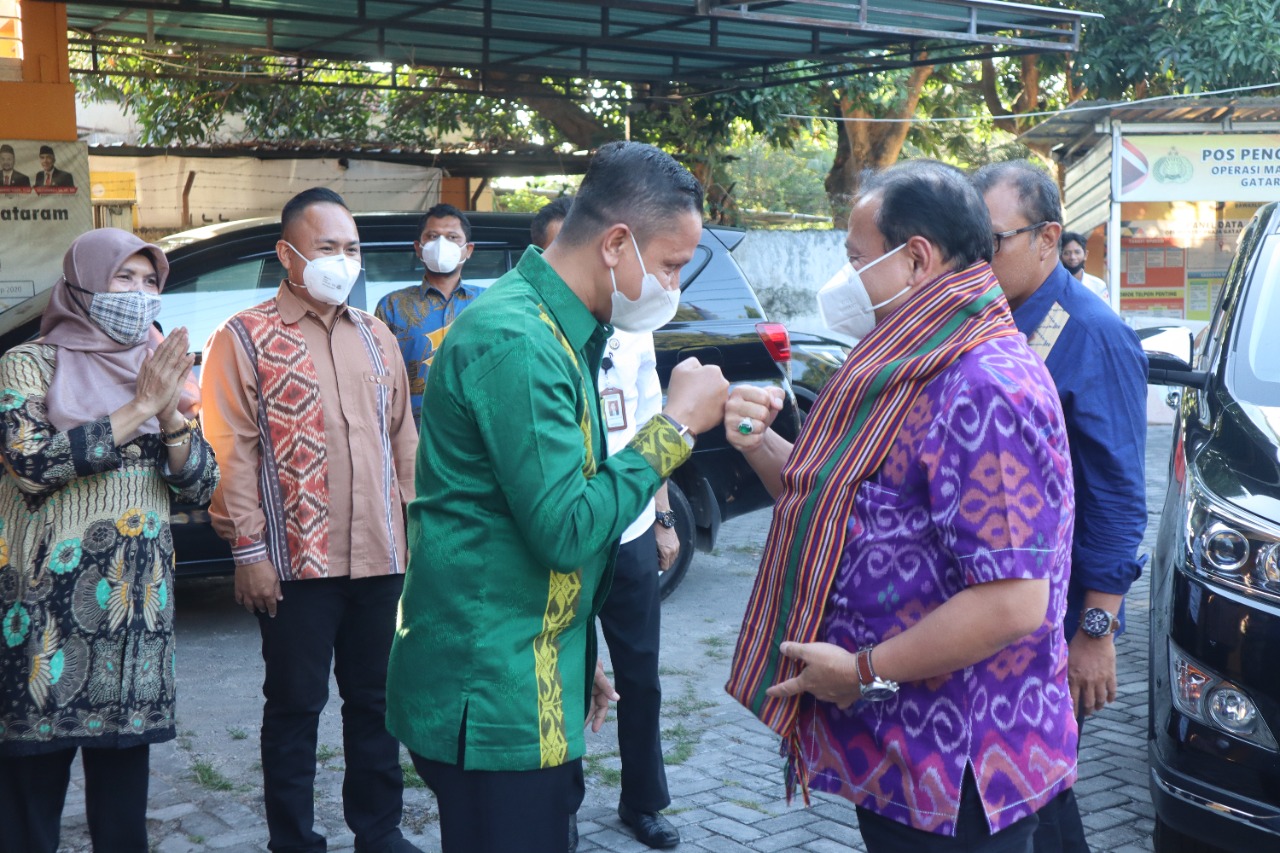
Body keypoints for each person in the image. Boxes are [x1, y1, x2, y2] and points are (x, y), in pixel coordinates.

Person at [725, 160, 1078, 853]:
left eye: (856, 257)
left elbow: (1012, 602)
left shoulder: (981, 384)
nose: (845, 277)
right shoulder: (909, 364)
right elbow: (841, 513)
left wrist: (860, 671)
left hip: (959, 773)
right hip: (903, 755)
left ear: (914, 258)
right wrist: (759, 444)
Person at [385, 141, 728, 853]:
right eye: (669, 265)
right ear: (615, 244)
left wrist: (575, 655)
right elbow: (568, 527)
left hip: (527, 663)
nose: (673, 286)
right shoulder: (520, 340)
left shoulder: (558, 328)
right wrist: (674, 429)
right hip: (493, 689)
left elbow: (542, 508)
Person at [200, 188, 420, 853]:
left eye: (352, 248)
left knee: (377, 703)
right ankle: (293, 839)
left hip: (381, 558)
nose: (343, 261)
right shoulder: (243, 338)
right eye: (328, 248)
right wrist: (249, 552)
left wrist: (420, 540)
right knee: (295, 708)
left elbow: (403, 442)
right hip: (296, 566)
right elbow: (230, 451)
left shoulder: (377, 335)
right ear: (287, 254)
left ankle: (378, 830)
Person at [0, 229, 218, 853]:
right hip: (45, 614)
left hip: (134, 613)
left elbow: (202, 485)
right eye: (125, 277)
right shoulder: (27, 364)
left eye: (151, 282)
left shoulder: (156, 369)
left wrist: (170, 412)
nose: (140, 294)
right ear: (82, 282)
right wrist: (138, 407)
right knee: (29, 793)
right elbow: (32, 465)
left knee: (123, 801)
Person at [972, 161, 1147, 853]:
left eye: (990, 241)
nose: (974, 260)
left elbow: (1118, 493)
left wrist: (1097, 627)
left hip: (1060, 612)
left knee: (1035, 785)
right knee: (1029, 784)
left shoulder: (1090, 332)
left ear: (1048, 238)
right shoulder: (994, 320)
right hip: (999, 610)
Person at [533, 196, 682, 850]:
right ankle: (556, 802)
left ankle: (643, 799)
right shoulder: (535, 335)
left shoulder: (636, 318)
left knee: (640, 674)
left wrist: (665, 519)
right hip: (565, 533)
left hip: (628, 529)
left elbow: (657, 418)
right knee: (564, 670)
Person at [374, 203, 480, 427]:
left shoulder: (489, 303)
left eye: (452, 237)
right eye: (432, 236)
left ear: (468, 250)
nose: (442, 244)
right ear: (419, 247)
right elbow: (379, 380)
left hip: (475, 438)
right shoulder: (392, 306)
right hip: (413, 438)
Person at [1058, 231, 1110, 305]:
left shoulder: (1098, 286)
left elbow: (1105, 314)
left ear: (1086, 255)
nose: (1072, 257)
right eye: (1067, 253)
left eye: (1077, 252)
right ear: (1060, 256)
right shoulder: (1054, 285)